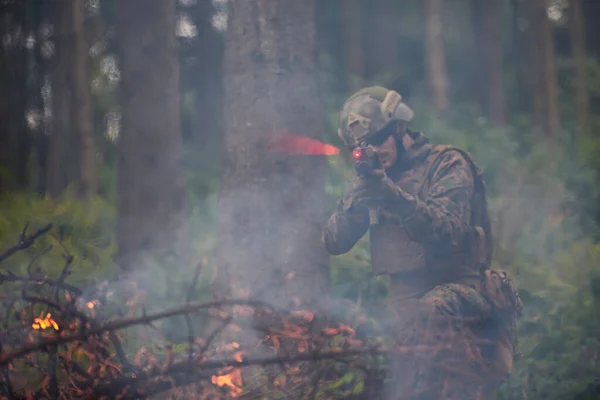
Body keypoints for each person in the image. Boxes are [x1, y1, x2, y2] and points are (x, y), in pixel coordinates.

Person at [322, 86, 522, 399]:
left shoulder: (446, 164)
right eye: (364, 146)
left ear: (399, 129)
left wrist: (395, 198)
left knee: (431, 314)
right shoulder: (371, 178)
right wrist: (358, 198)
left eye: (379, 139)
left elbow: (449, 234)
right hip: (404, 309)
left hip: (461, 295)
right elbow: (334, 242)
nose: (375, 150)